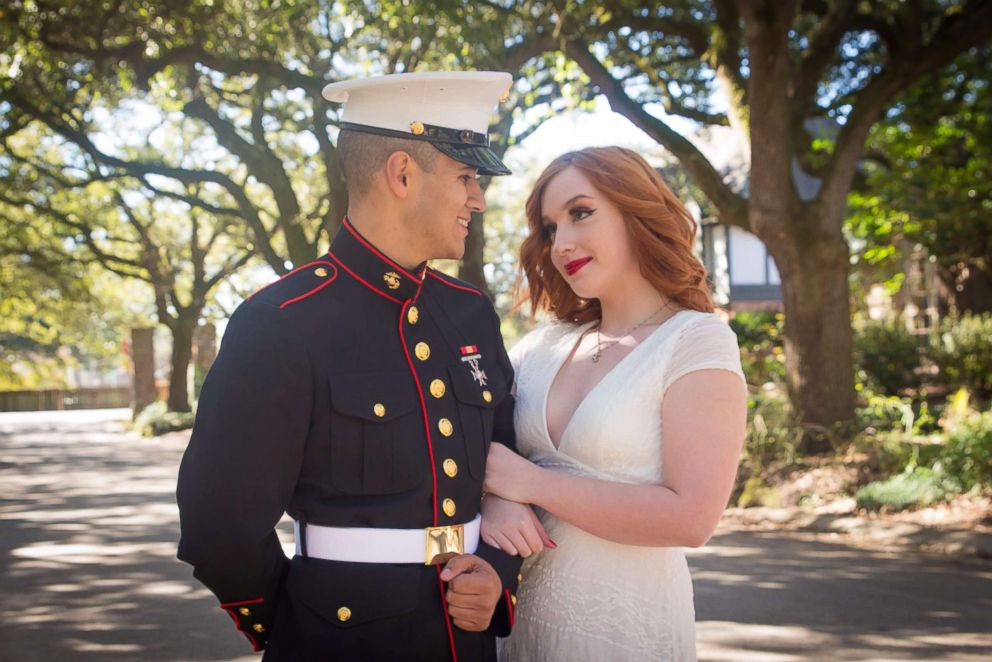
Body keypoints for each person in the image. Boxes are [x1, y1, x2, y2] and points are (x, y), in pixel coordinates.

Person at [176, 71, 529, 661]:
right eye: (466, 176)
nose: (478, 197)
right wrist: (298, 623)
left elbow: (507, 468)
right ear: (401, 173)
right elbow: (220, 527)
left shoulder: (469, 315)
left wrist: (496, 573)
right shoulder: (281, 322)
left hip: (464, 641)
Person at [481, 146, 748, 661]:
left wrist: (528, 482)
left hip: (624, 630)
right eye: (550, 227)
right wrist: (497, 496)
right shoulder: (539, 347)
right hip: (515, 631)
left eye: (581, 213)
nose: (561, 243)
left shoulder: (696, 341)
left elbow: (691, 518)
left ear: (636, 209)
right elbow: (477, 448)